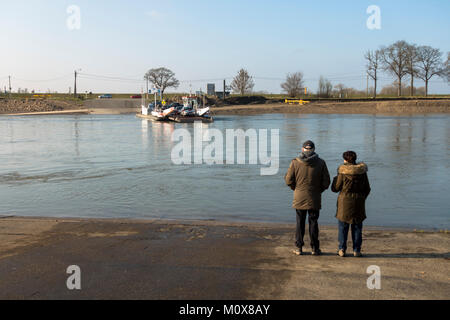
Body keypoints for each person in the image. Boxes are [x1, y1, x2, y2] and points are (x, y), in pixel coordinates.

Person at [285, 140, 330, 256]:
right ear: (314, 149)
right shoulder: (321, 162)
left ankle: (299, 248)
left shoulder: (295, 163)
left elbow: (288, 180)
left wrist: (295, 189)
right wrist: (318, 190)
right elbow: (326, 182)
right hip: (314, 197)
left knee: (300, 223)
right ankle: (315, 248)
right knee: (313, 223)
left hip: (299, 196)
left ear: (302, 149)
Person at [331, 151, 371, 257]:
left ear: (345, 159)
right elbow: (367, 188)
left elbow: (335, 188)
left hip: (344, 202)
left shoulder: (342, 171)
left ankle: (342, 249)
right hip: (359, 201)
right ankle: (356, 250)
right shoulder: (362, 171)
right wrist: (362, 198)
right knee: (357, 227)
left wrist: (335, 178)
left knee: (343, 227)